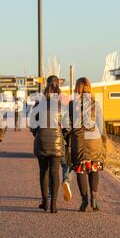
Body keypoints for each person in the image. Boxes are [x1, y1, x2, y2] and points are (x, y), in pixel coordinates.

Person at [30, 76, 70, 214]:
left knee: (43, 172)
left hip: (42, 141)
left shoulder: (39, 103)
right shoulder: (62, 105)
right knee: (55, 173)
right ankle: (53, 204)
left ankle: (45, 201)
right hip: (57, 142)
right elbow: (68, 126)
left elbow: (32, 123)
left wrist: (37, 133)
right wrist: (62, 135)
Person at [69, 78, 107, 212]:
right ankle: (94, 196)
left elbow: (68, 126)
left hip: (79, 141)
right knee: (94, 168)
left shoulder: (71, 105)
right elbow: (101, 128)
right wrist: (104, 144)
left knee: (81, 170)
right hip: (94, 139)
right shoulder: (96, 105)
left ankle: (84, 199)